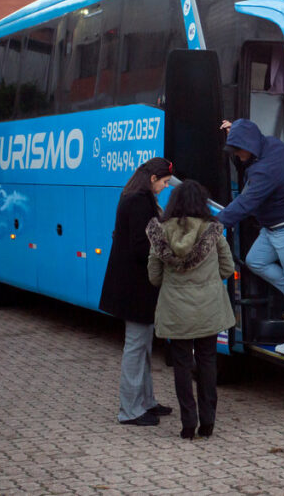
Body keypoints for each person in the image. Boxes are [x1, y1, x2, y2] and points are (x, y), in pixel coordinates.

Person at [146, 179, 236, 440]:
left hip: (176, 310)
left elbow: (154, 276)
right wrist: (208, 281)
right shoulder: (213, 231)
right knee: (207, 361)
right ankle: (208, 423)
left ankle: (188, 423)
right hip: (207, 308)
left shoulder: (160, 233)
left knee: (182, 364)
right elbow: (228, 268)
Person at [98, 157, 174, 427]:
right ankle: (130, 409)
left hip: (132, 285)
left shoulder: (134, 197)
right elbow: (142, 246)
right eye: (164, 182)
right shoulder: (140, 202)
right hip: (135, 286)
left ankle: (145, 401)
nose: (165, 187)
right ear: (153, 179)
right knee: (136, 346)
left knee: (142, 345)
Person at [216, 118, 284, 356]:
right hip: (270, 229)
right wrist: (236, 134)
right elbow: (247, 146)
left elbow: (245, 203)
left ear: (249, 148)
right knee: (255, 261)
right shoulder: (271, 145)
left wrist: (215, 222)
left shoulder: (265, 171)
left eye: (238, 151)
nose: (237, 156)